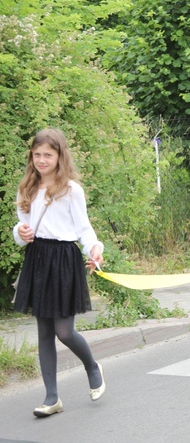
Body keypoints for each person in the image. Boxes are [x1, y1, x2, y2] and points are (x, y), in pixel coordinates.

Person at [12, 129, 106, 417]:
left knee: (64, 332)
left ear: (59, 156)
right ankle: (52, 397)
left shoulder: (71, 189)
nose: (41, 160)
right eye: (37, 154)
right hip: (38, 258)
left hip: (64, 259)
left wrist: (94, 249)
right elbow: (22, 226)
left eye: (47, 155)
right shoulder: (26, 187)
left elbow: (83, 228)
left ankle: (92, 366)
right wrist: (20, 233)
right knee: (43, 332)